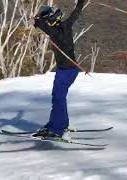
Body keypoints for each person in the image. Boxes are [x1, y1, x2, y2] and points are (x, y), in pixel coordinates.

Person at [30, 0, 86, 139]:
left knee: (58, 98)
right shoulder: (66, 25)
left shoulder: (54, 32)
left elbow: (40, 24)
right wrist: (81, 2)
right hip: (68, 70)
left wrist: (37, 20)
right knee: (58, 98)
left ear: (51, 20)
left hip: (66, 71)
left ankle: (57, 129)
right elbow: (76, 13)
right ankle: (58, 124)